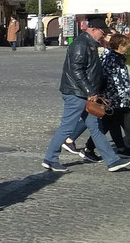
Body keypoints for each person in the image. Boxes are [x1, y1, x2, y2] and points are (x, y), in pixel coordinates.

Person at [41, 17, 130, 173]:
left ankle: (112, 161)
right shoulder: (81, 44)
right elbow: (77, 70)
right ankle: (50, 158)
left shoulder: (89, 43)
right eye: (102, 33)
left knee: (96, 127)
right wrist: (90, 92)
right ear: (93, 29)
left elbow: (91, 71)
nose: (103, 36)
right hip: (76, 94)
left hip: (85, 93)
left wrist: (97, 92)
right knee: (67, 127)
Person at [84, 33, 130, 158]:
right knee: (106, 125)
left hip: (121, 98)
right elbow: (107, 78)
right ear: (120, 46)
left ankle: (120, 148)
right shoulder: (111, 58)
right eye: (126, 45)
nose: (128, 47)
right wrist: (105, 95)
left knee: (113, 124)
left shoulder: (118, 57)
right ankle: (89, 148)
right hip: (114, 98)